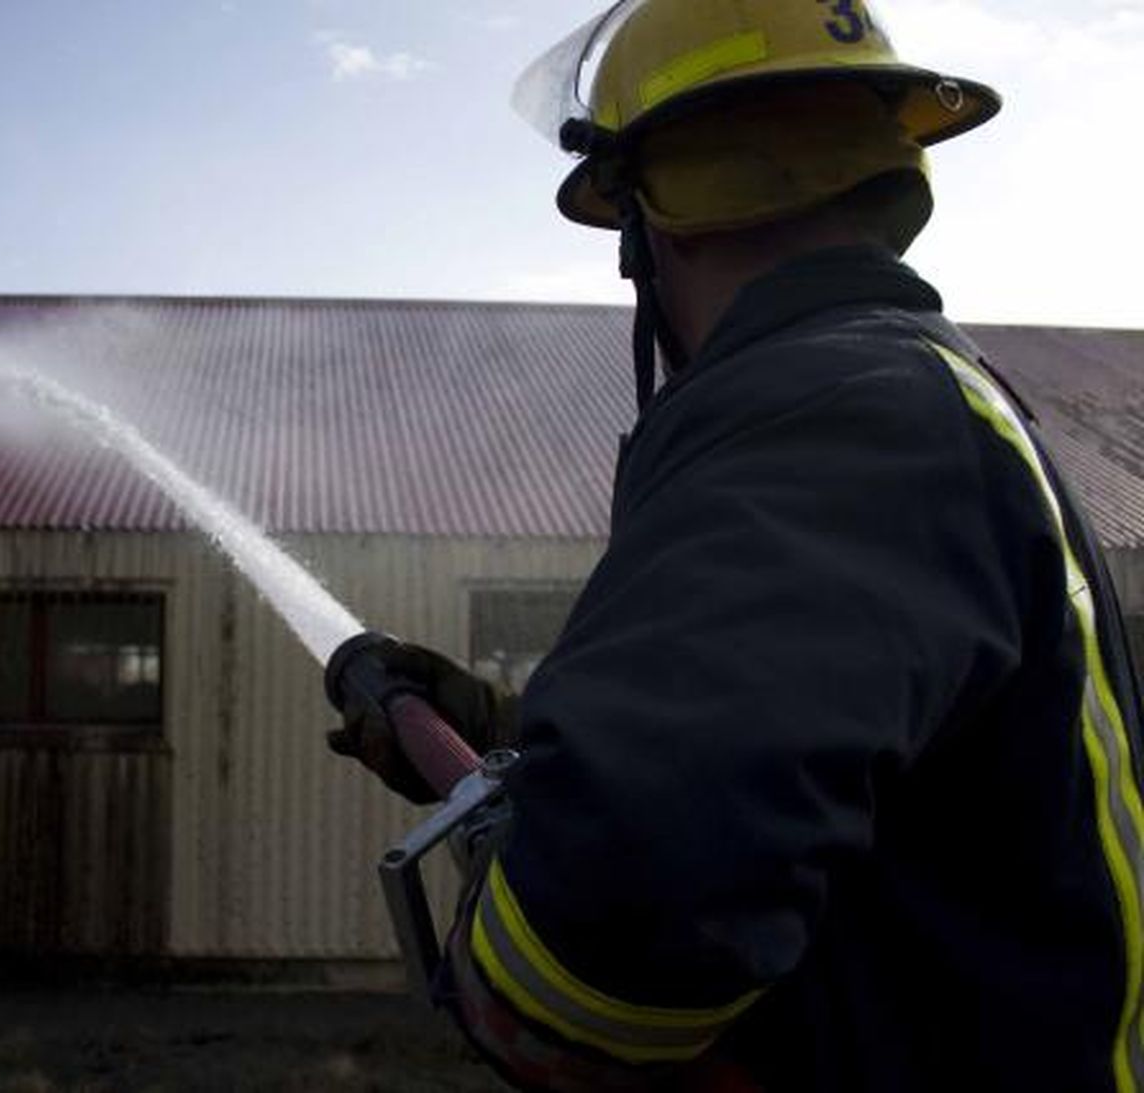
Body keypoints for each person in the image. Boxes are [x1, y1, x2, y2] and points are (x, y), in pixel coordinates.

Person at [326, 1, 1144, 1089]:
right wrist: (506, 739)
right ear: (881, 172)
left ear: (651, 219)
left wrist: (510, 889)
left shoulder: (824, 414)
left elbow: (589, 967)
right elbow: (867, 767)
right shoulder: (923, 400)